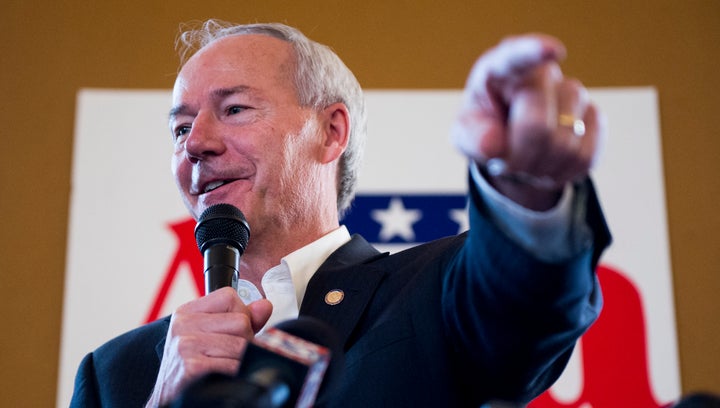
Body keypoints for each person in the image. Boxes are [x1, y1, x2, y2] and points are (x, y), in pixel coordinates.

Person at [70, 19, 611, 407]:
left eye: (234, 109)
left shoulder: (433, 297)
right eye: (180, 128)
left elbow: (523, 301)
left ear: (331, 132)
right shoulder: (116, 375)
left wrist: (525, 186)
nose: (197, 144)